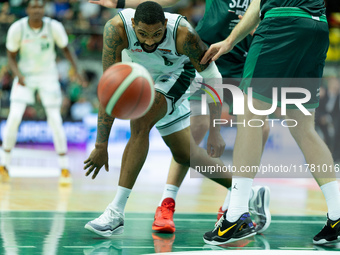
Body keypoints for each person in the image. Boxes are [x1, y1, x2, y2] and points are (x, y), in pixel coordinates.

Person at [89, 0, 271, 235]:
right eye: (143, 34)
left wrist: (215, 130)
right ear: (133, 24)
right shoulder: (116, 29)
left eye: (156, 34)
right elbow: (108, 90)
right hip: (145, 78)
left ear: (165, 24)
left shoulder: (183, 34)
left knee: (141, 122)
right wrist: (100, 145)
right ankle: (247, 192)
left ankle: (115, 213)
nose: (149, 41)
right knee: (187, 154)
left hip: (179, 74)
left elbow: (213, 76)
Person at [201, 0, 340, 245]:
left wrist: (230, 41)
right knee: (303, 128)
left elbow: (256, 7)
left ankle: (235, 217)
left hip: (280, 24)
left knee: (250, 116)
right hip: (317, 27)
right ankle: (337, 215)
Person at [0, 0, 84, 186]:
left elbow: (66, 49)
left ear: (44, 9)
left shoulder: (54, 27)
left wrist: (76, 70)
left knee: (55, 119)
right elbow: (11, 57)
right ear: (28, 9)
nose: (37, 10)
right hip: (25, 76)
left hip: (48, 76)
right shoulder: (17, 28)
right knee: (13, 118)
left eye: (40, 6)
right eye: (33, 6)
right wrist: (18, 75)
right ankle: (4, 165)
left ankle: (64, 168)